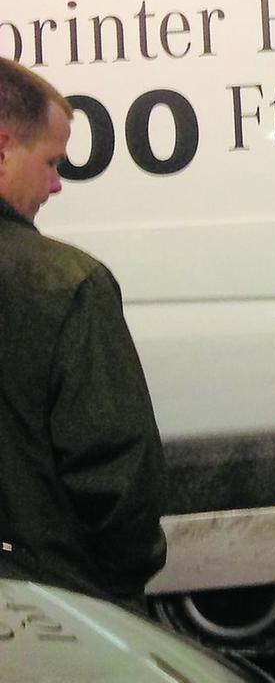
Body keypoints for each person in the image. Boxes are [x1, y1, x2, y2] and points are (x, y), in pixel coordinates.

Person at [0, 58, 168, 613]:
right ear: (3, 146)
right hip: (50, 618)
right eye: (50, 162)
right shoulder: (65, 287)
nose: (55, 185)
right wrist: (123, 585)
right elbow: (115, 475)